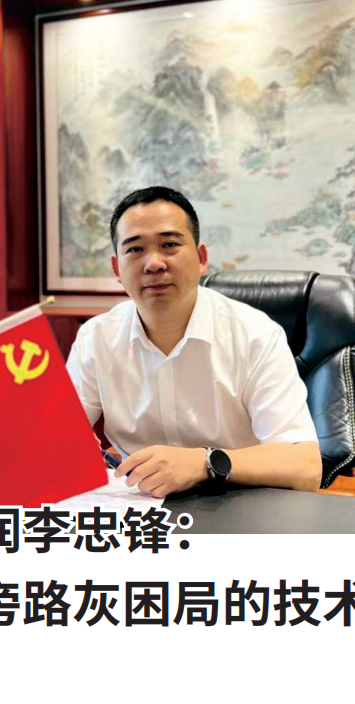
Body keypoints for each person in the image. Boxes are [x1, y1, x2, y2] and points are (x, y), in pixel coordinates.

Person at [65, 186, 322, 497]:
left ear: (201, 258)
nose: (154, 263)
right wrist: (62, 445)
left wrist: (204, 462)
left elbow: (306, 467)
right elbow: (57, 437)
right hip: (138, 505)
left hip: (236, 501)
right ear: (117, 269)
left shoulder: (255, 335)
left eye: (169, 245)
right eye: (135, 249)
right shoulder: (96, 339)